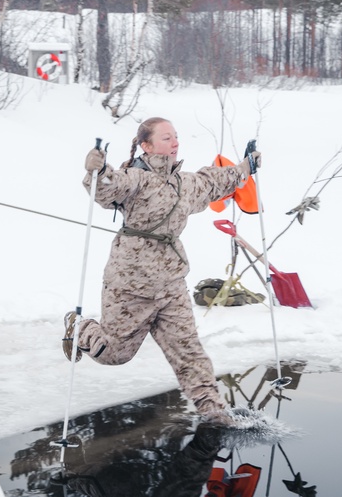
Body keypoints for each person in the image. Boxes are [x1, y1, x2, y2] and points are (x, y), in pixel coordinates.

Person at [64, 117, 259, 422]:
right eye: (167, 138)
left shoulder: (185, 183)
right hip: (131, 284)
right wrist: (97, 170)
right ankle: (80, 328)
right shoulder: (135, 179)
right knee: (114, 354)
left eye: (176, 137)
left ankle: (213, 410)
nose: (175, 143)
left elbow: (215, 182)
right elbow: (106, 188)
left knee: (189, 351)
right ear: (146, 145)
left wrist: (246, 167)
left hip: (171, 283)